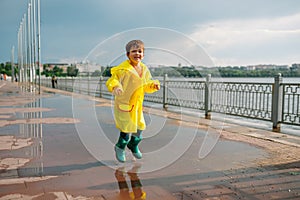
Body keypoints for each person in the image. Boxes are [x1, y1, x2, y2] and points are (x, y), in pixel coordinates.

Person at [106, 40, 160, 163]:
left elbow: (146, 84)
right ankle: (120, 147)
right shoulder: (122, 69)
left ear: (143, 54)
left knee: (140, 127)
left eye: (140, 51)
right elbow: (112, 80)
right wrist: (116, 87)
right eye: (134, 51)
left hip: (137, 105)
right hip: (124, 104)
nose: (137, 54)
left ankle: (133, 145)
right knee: (126, 129)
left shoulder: (144, 69)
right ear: (128, 54)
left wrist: (153, 85)